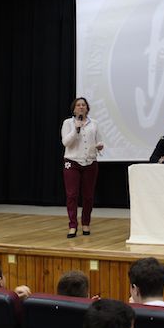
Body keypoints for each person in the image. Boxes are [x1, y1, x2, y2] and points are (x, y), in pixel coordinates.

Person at [61, 97, 105, 239]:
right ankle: (72, 225)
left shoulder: (95, 124)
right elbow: (66, 142)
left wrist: (99, 146)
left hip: (90, 162)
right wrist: (76, 128)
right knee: (72, 195)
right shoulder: (68, 123)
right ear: (74, 109)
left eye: (83, 105)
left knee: (88, 196)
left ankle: (86, 223)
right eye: (78, 105)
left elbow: (99, 140)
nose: (81, 107)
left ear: (87, 108)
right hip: (72, 162)